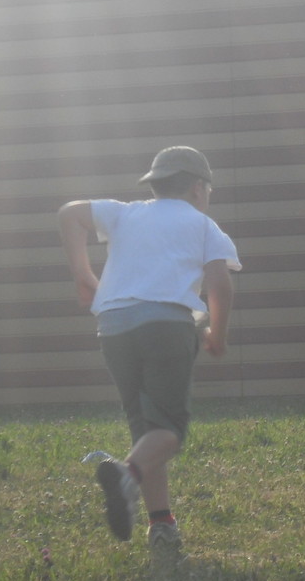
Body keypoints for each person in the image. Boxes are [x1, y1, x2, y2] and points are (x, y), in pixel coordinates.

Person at [58, 146, 239, 551]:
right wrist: (219, 335)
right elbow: (221, 286)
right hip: (167, 326)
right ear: (198, 188)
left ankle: (161, 524)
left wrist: (85, 277)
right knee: (169, 431)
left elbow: (69, 213)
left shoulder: (126, 213)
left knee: (145, 427)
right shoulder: (204, 225)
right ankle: (126, 477)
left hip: (114, 326)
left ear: (155, 185)